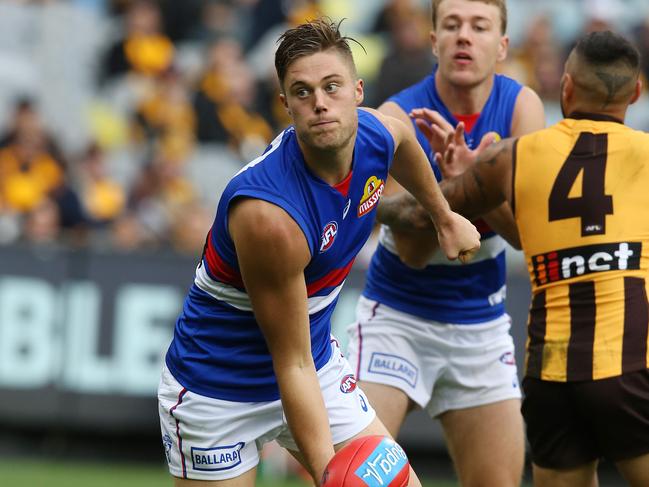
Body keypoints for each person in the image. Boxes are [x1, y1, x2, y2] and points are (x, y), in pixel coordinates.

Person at [157, 18, 480, 487]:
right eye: (303, 92)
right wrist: (331, 473)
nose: (320, 104)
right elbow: (292, 362)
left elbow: (406, 139)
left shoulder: (374, 135)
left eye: (332, 87)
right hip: (217, 389)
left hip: (315, 366)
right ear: (286, 105)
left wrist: (443, 217)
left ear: (357, 91)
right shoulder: (269, 214)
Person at [431, 30, 649, 487]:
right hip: (631, 368)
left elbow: (419, 212)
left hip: (551, 373)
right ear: (636, 93)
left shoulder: (514, 156)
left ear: (566, 87)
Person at [345, 1, 544, 485]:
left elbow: (528, 236)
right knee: (349, 477)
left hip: (480, 327)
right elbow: (410, 251)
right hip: (397, 316)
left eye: (479, 27)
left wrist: (474, 180)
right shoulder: (397, 115)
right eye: (451, 25)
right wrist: (455, 189)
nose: (463, 37)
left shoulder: (522, 107)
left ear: (501, 45)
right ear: (433, 41)